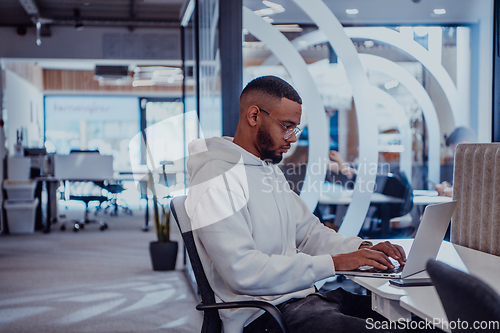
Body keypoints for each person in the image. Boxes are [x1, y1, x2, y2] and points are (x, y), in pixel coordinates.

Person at [185, 76, 406, 333]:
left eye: (295, 129)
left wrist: (361, 249)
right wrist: (335, 263)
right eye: (286, 126)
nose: (292, 139)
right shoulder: (215, 179)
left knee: (406, 316)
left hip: (303, 299)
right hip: (263, 316)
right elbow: (243, 271)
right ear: (254, 116)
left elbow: (310, 233)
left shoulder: (268, 170)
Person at [434, 126, 478, 197]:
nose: (455, 157)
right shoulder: (468, 166)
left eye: (455, 152)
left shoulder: (478, 168)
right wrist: (449, 186)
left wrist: (444, 191)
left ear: (464, 144)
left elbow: (466, 194)